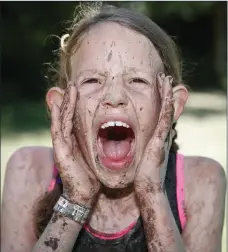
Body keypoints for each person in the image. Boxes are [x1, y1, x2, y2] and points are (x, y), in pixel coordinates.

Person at [1, 5, 226, 252]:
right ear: (62, 105)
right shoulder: (29, 171)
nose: (115, 96)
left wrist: (152, 194)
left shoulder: (202, 181)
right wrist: (76, 197)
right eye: (93, 80)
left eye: (137, 80)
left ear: (171, 105)